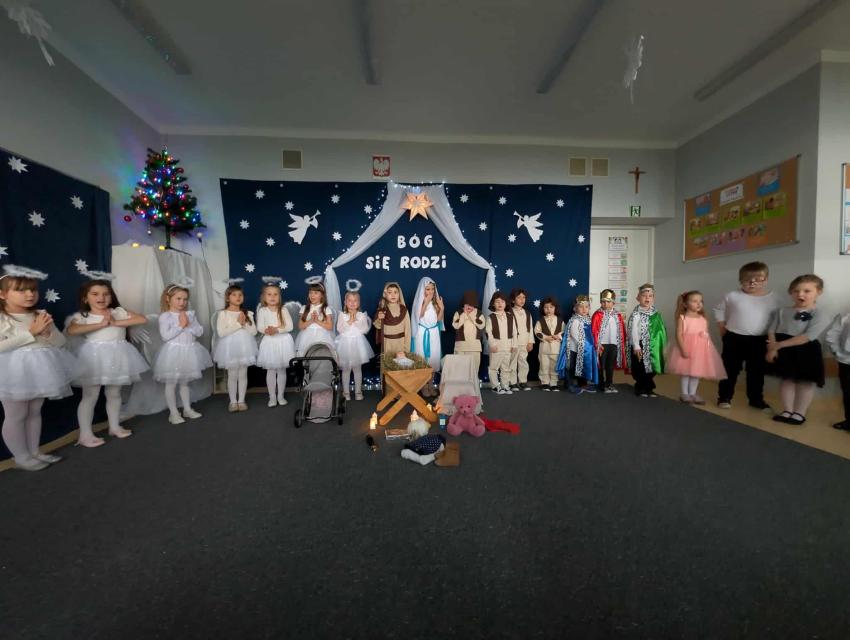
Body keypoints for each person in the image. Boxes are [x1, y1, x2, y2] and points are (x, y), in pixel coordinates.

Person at [0, 265, 76, 470]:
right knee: (16, 415)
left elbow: (61, 342)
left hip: (41, 369)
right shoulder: (2, 317)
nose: (29, 294)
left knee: (34, 411)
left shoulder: (40, 314)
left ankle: (34, 451)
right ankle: (21, 457)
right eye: (21, 290)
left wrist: (47, 333)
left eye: (33, 289)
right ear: (2, 294)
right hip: (13, 371)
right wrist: (31, 333)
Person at [67, 276, 149, 446]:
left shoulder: (118, 312)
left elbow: (142, 319)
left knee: (114, 393)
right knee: (90, 395)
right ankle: (85, 434)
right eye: (95, 294)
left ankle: (114, 426)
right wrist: (101, 324)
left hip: (118, 356)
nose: (101, 297)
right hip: (93, 359)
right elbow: (72, 330)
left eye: (106, 294)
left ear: (111, 297)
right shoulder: (83, 316)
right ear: (85, 298)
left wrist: (115, 322)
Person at [713, 261, 780, 410]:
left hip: (760, 340)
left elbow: (777, 320)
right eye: (747, 280)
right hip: (734, 338)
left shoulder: (774, 299)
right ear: (740, 280)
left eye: (757, 280)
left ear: (766, 280)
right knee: (729, 369)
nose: (752, 283)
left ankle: (756, 399)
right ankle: (724, 397)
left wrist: (773, 341)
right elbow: (718, 309)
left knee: (756, 371)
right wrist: (721, 326)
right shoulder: (732, 295)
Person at [766, 275, 829, 425]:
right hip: (784, 351)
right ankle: (787, 410)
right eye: (796, 291)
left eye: (807, 291)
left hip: (806, 351)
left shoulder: (819, 314)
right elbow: (771, 330)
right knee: (786, 380)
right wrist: (772, 349)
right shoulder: (782, 311)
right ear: (791, 292)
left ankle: (799, 413)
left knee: (805, 383)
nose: (800, 294)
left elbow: (807, 337)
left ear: (818, 292)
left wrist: (778, 346)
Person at [153, 282, 212, 423]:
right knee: (171, 383)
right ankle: (173, 413)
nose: (182, 302)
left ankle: (187, 409)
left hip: (189, 351)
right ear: (168, 299)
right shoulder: (165, 316)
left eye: (185, 299)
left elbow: (199, 331)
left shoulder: (190, 314)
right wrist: (181, 325)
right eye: (178, 299)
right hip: (173, 353)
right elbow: (165, 336)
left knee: (185, 383)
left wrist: (188, 324)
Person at [665, 290, 726, 404]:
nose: (699, 304)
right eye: (694, 301)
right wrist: (683, 349)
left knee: (696, 372)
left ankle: (692, 393)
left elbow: (705, 333)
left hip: (700, 350)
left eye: (701, 301)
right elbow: (679, 335)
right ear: (685, 304)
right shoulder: (682, 318)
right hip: (686, 347)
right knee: (686, 371)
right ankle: (685, 393)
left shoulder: (703, 318)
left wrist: (706, 346)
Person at [214, 282, 258, 412]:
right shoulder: (223, 314)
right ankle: (233, 402)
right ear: (228, 298)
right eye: (234, 295)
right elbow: (221, 333)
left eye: (240, 295)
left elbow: (254, 332)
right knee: (232, 374)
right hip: (229, 348)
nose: (238, 297)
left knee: (243, 374)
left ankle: (241, 400)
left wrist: (245, 323)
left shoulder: (247, 313)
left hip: (244, 346)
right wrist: (239, 324)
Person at [256, 279, 295, 407]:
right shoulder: (263, 311)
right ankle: (272, 397)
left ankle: (281, 396)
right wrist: (267, 330)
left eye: (275, 294)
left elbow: (289, 326)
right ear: (264, 297)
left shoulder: (283, 310)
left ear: (279, 296)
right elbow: (260, 327)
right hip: (269, 342)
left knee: (281, 370)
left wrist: (277, 330)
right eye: (269, 294)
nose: (272, 297)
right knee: (271, 371)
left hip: (283, 342)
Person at [627, 283, 667, 397]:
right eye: (644, 296)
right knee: (640, 367)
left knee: (652, 367)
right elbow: (633, 330)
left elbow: (661, 329)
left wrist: (661, 344)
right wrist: (636, 346)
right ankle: (640, 387)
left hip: (652, 345)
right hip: (639, 344)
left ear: (653, 298)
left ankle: (649, 388)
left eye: (650, 296)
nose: (647, 298)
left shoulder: (656, 313)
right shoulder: (636, 314)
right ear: (638, 298)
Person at [335, 289, 374, 401]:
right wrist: (349, 321)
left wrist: (356, 321)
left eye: (355, 300)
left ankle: (358, 392)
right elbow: (340, 329)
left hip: (358, 344)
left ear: (359, 303)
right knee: (346, 369)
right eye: (350, 300)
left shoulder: (361, 315)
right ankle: (346, 392)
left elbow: (365, 329)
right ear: (345, 302)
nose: (352, 303)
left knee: (357, 369)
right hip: (345, 344)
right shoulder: (342, 315)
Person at [411, 277, 445, 397]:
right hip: (421, 333)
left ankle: (431, 385)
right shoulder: (419, 302)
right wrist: (425, 302)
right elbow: (418, 316)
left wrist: (442, 308)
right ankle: (423, 386)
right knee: (422, 359)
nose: (430, 292)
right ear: (423, 290)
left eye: (432, 289)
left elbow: (438, 320)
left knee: (433, 360)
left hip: (433, 333)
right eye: (427, 289)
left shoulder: (436, 303)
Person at [558, 295, 598, 394]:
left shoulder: (588, 320)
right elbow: (575, 336)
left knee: (582, 366)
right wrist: (587, 346)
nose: (584, 309)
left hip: (584, 349)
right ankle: (569, 384)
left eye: (586, 307)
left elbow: (592, 334)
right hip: (574, 349)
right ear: (575, 308)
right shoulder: (575, 320)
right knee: (571, 367)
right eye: (581, 307)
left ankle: (583, 384)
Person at [591, 289, 627, 393]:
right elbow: (594, 330)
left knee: (610, 366)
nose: (606, 304)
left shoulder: (617, 315)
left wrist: (621, 343)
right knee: (601, 365)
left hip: (613, 344)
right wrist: (597, 344)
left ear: (613, 303)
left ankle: (609, 384)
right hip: (602, 345)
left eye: (608, 302)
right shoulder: (597, 314)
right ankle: (601, 384)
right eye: (603, 302)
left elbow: (621, 330)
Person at [485, 291, 517, 394]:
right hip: (496, 347)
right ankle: (495, 386)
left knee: (506, 368)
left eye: (502, 301)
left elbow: (514, 332)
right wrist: (492, 345)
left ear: (506, 303)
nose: (500, 304)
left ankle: (505, 385)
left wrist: (514, 345)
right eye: (497, 301)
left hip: (508, 346)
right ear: (493, 304)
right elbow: (488, 332)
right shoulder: (491, 317)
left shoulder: (510, 317)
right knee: (494, 367)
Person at [451, 290, 485, 378]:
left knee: (474, 368)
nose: (469, 306)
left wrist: (472, 316)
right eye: (467, 304)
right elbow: (455, 325)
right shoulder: (459, 313)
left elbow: (481, 325)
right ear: (463, 304)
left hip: (475, 346)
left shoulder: (479, 314)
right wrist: (464, 315)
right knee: (459, 368)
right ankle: (460, 384)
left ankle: (473, 384)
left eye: (472, 304)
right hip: (460, 346)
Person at [825, 310, 850, 431]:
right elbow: (832, 335)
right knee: (848, 392)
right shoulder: (845, 316)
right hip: (846, 361)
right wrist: (837, 352)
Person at [295, 282, 335, 356]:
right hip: (306, 337)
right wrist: (311, 320)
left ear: (322, 295)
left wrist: (317, 321)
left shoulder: (326, 309)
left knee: (321, 355)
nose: (312, 295)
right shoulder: (304, 308)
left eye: (316, 293)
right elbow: (300, 326)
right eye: (310, 292)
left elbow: (330, 327)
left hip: (322, 336)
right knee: (305, 355)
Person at [534, 297, 564, 391]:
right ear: (543, 309)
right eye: (546, 307)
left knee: (554, 366)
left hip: (556, 348)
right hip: (544, 348)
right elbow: (537, 332)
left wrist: (558, 336)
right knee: (544, 366)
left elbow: (564, 332)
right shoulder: (540, 321)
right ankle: (545, 383)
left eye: (551, 307)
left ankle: (554, 383)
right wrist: (545, 337)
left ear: (555, 308)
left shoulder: (560, 321)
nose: (548, 309)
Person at [507, 288, 534, 391]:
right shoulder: (509, 312)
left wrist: (530, 341)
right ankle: (512, 382)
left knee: (523, 362)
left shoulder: (527, 313)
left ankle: (523, 381)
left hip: (524, 341)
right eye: (519, 297)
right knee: (512, 362)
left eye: (524, 297)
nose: (522, 300)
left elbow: (530, 328)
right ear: (513, 300)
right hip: (513, 343)